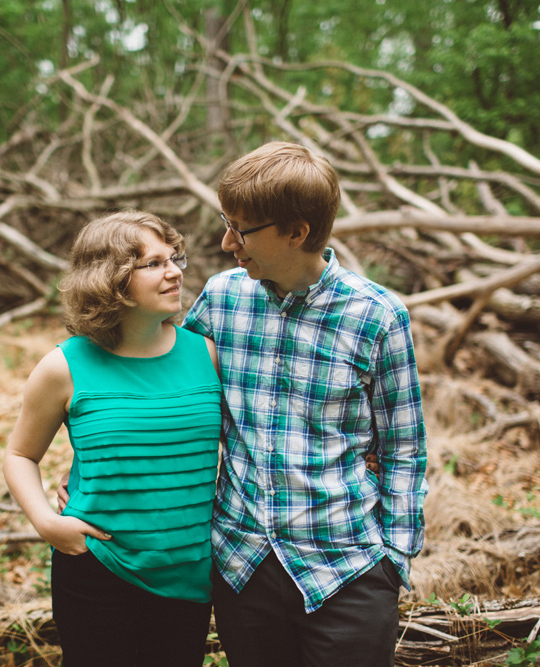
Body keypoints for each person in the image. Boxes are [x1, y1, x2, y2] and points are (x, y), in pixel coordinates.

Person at [182, 141, 429, 667]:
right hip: (242, 562)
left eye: (242, 230)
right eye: (226, 223)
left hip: (346, 567)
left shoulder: (378, 317)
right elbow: (171, 394)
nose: (227, 242)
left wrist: (395, 559)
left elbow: (405, 447)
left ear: (297, 232)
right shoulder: (220, 300)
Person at [3, 210, 222, 667]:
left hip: (189, 572)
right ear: (111, 279)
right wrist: (46, 522)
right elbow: (20, 454)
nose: (175, 271)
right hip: (97, 568)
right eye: (155, 263)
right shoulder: (64, 367)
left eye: (175, 258)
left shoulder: (206, 353)